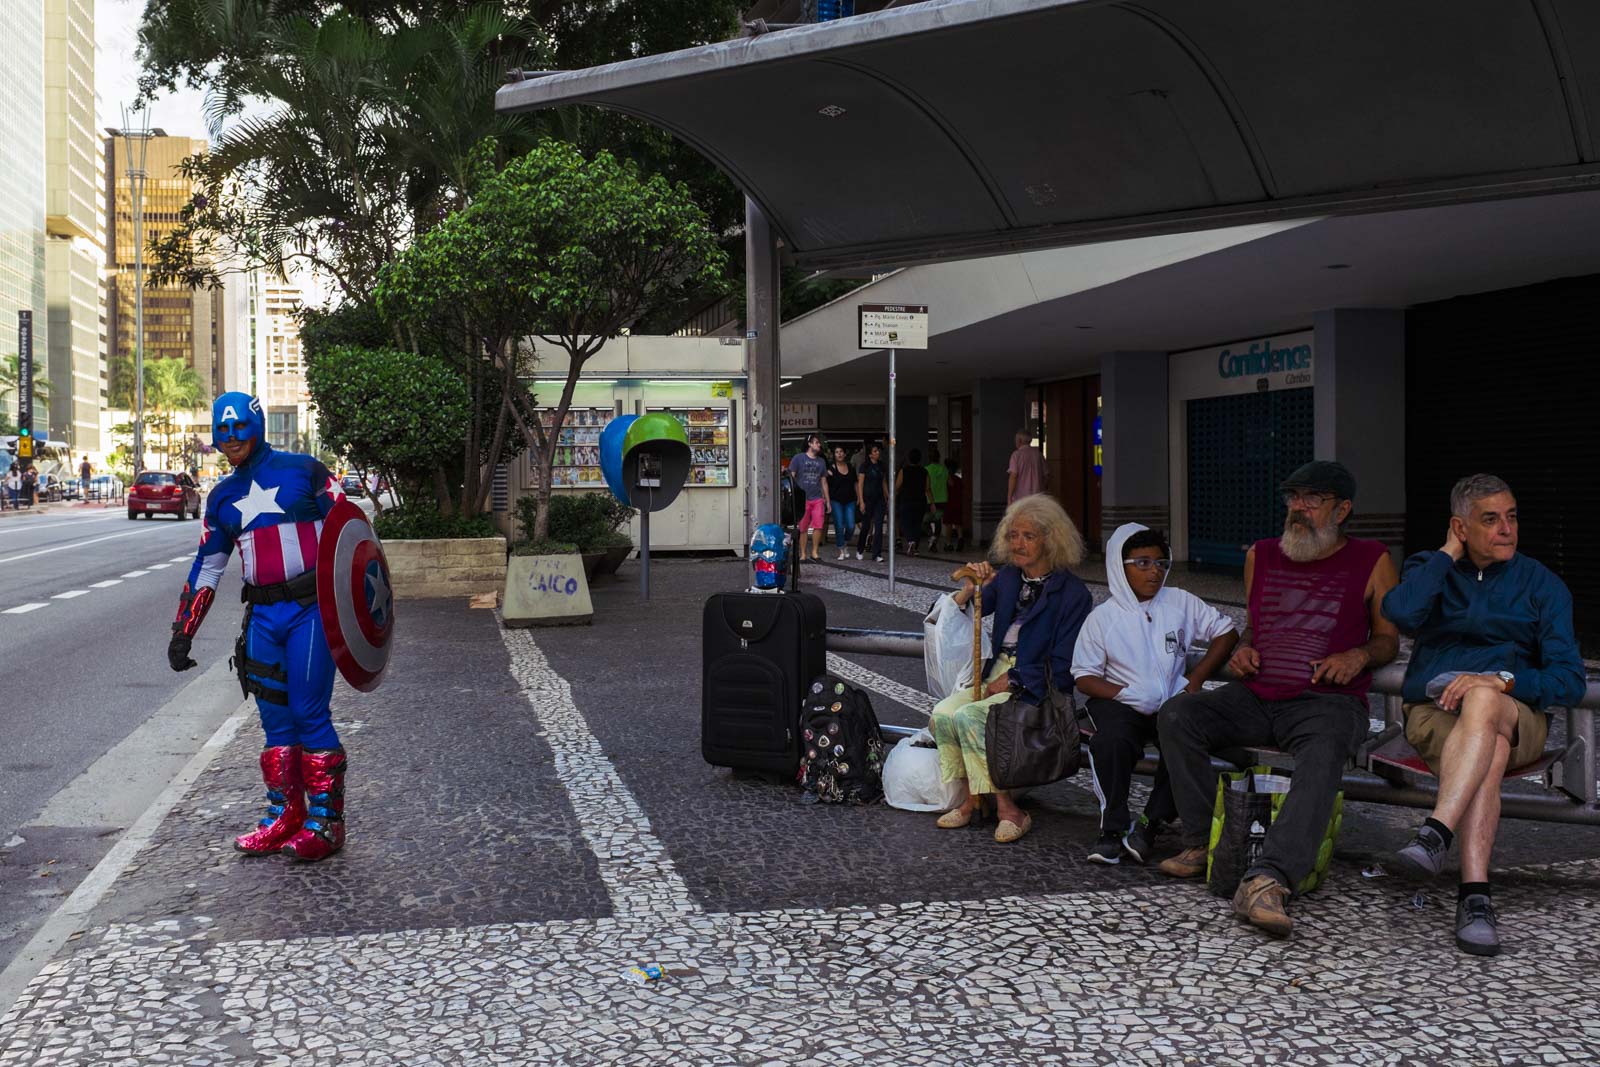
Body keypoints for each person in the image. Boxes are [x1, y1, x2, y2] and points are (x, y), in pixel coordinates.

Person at [1156, 460, 1399, 939]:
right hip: (1257, 695)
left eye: (1313, 499)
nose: (1298, 508)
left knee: (1325, 749)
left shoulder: (1373, 559)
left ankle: (1269, 878)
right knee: (1179, 714)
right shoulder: (1262, 555)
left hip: (1327, 703)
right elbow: (1255, 626)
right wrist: (1244, 649)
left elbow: (1388, 639)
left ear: (1342, 510)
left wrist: (1358, 655)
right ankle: (1207, 842)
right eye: (1293, 498)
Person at [1380, 474, 1584, 956]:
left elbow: (1570, 680)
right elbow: (1401, 614)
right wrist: (1447, 555)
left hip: (1519, 716)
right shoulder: (1430, 567)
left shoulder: (1541, 584)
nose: (1506, 529)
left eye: (1511, 517)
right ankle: (1475, 896)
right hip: (1435, 714)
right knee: (1487, 749)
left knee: (1485, 701)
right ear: (1460, 527)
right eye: (1490, 520)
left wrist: (1502, 681)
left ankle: (1435, 833)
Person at [167, 391, 354, 862]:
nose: (231, 438)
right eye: (222, 430)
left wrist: (358, 610)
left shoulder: (305, 471)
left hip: (311, 611)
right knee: (274, 721)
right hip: (263, 619)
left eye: (239, 428)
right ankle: (285, 815)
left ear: (257, 426)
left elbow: (352, 536)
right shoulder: (221, 497)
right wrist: (184, 630)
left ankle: (326, 822)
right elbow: (208, 567)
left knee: (309, 713)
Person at [930, 494, 1093, 843]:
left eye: (1028, 536)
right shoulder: (1008, 579)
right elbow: (970, 608)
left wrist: (1017, 678)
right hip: (995, 676)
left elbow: (1066, 666)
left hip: (1035, 688)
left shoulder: (1073, 594)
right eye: (1013, 535)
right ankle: (971, 799)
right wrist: (970, 589)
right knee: (943, 714)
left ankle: (1009, 810)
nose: (1017, 544)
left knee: (971, 718)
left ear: (1051, 539)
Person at [1071, 524, 1238, 865]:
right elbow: (1084, 676)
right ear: (1120, 566)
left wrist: (1195, 680)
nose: (1155, 571)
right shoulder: (1102, 618)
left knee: (1184, 744)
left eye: (1161, 563)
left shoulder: (1180, 602)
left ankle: (1150, 824)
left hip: (1171, 703)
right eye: (1142, 563)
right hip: (1119, 702)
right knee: (1111, 743)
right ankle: (1112, 830)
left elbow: (1227, 632)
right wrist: (1127, 693)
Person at [787, 433, 828, 563]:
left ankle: (815, 552)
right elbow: (791, 477)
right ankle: (803, 554)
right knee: (803, 527)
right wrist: (792, 496)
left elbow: (824, 482)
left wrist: (827, 500)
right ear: (809, 444)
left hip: (817, 498)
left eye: (819, 443)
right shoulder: (798, 458)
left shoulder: (821, 461)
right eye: (816, 442)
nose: (819, 445)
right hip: (802, 499)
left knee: (819, 525)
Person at [821, 446, 858, 562]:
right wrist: (827, 500)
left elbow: (855, 483)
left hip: (850, 500)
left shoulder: (851, 467)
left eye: (841, 451)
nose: (839, 454)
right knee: (839, 525)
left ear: (845, 454)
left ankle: (845, 542)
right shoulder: (831, 469)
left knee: (851, 526)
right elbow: (824, 484)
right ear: (834, 455)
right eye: (837, 452)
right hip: (836, 500)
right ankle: (841, 549)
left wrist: (859, 498)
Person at [856, 443, 888, 562]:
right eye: (875, 451)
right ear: (870, 454)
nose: (877, 452)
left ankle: (877, 554)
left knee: (879, 527)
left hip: (879, 499)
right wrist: (861, 501)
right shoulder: (864, 466)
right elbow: (860, 484)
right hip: (867, 499)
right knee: (866, 526)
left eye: (878, 450)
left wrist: (888, 496)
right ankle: (860, 549)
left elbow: (884, 482)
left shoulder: (882, 465)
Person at [895, 448, 931, 556]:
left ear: (909, 459)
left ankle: (911, 541)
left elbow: (897, 487)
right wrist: (932, 503)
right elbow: (927, 488)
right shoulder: (924, 471)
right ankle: (915, 546)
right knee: (917, 524)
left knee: (905, 522)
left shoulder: (904, 471)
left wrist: (893, 498)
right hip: (920, 501)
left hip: (906, 500)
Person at [1007, 429, 1046, 505]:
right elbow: (1046, 476)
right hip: (1037, 497)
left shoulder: (1016, 455)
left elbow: (1013, 476)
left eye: (1016, 440)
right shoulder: (1039, 454)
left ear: (1019, 441)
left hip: (1020, 498)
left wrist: (1009, 497)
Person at [925, 448, 950, 547]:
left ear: (929, 458)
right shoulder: (944, 469)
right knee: (937, 521)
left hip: (929, 499)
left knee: (925, 521)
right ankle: (934, 542)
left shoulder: (926, 469)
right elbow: (950, 483)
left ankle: (931, 536)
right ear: (939, 458)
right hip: (942, 499)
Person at [941, 457, 966, 552]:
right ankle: (960, 538)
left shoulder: (947, 478)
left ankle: (948, 543)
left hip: (949, 503)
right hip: (958, 503)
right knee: (958, 523)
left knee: (949, 524)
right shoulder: (959, 479)